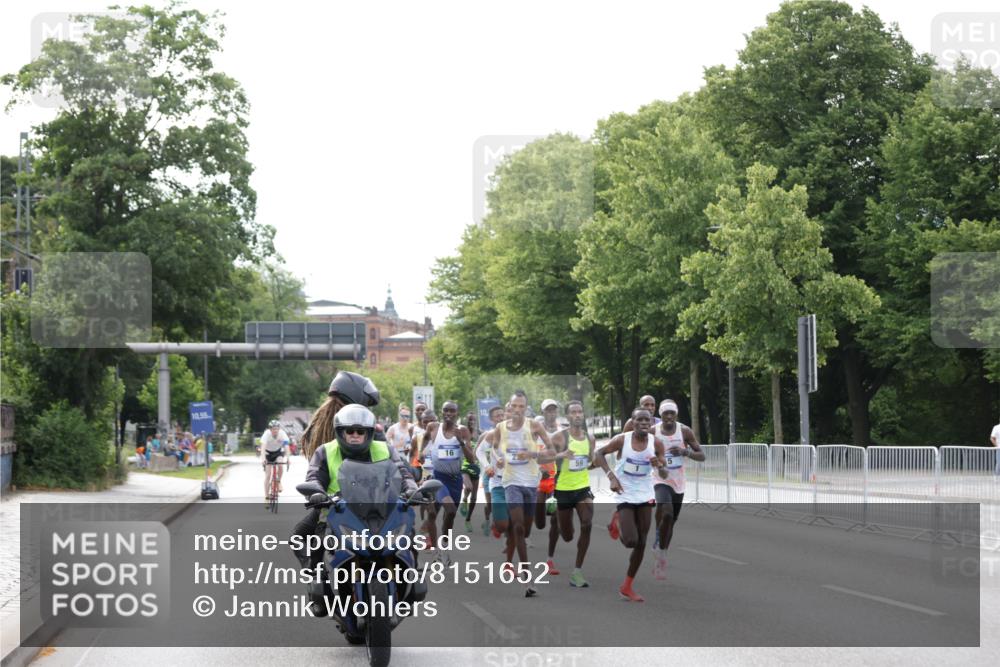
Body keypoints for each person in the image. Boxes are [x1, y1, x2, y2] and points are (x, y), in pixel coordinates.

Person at [298, 403, 419, 616]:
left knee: (409, 534)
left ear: (369, 433)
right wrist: (316, 492)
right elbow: (314, 476)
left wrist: (411, 488)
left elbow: (403, 472)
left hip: (381, 511)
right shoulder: (325, 451)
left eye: (360, 431)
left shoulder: (384, 449)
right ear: (340, 432)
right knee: (305, 539)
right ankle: (319, 590)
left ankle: (411, 584)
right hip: (338, 512)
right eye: (350, 431)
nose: (355, 435)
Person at [485, 391, 557, 598]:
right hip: (511, 482)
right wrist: (496, 460)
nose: (517, 410)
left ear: (526, 408)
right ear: (510, 406)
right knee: (516, 526)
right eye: (514, 406)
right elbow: (492, 449)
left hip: (531, 482)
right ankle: (527, 576)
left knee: (524, 530)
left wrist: (532, 454)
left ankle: (514, 559)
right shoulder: (500, 428)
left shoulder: (534, 425)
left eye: (521, 406)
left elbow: (551, 451)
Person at [594, 408, 668, 602]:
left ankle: (627, 586)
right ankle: (616, 521)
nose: (644, 423)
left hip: (645, 493)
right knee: (630, 541)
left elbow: (664, 472)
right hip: (624, 492)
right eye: (640, 420)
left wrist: (658, 465)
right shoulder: (622, 439)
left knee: (642, 542)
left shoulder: (656, 443)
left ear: (651, 424)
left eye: (647, 420)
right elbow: (599, 453)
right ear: (633, 422)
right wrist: (611, 477)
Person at [650, 399, 704, 579]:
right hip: (660, 479)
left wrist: (685, 452)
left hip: (679, 482)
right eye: (666, 413)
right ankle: (660, 547)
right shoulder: (653, 432)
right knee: (665, 513)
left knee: (671, 520)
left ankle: (662, 550)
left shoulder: (685, 431)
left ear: (676, 414)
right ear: (661, 415)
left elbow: (701, 455)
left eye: (672, 413)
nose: (669, 417)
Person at [420, 401, 475, 564]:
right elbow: (425, 438)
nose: (448, 414)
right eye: (445, 411)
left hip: (455, 480)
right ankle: (437, 549)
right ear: (441, 412)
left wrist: (460, 442)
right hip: (437, 477)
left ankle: (443, 547)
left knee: (448, 514)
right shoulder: (433, 427)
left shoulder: (462, 431)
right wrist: (423, 451)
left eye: (452, 411)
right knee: (444, 511)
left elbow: (471, 459)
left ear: (457, 413)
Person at [551, 400, 596, 588]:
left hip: (582, 489)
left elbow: (591, 461)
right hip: (563, 489)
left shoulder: (590, 439)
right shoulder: (559, 438)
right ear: (568, 416)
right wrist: (561, 456)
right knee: (567, 535)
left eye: (580, 411)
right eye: (574, 412)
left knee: (587, 523)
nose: (577, 415)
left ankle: (577, 572)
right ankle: (561, 525)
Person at [535, 398, 564, 575]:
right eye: (548, 410)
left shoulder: (562, 432)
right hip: (538, 479)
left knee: (556, 519)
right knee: (539, 523)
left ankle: (549, 559)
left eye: (554, 410)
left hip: (557, 479)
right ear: (543, 412)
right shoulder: (536, 431)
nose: (551, 413)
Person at [476, 405, 506, 537]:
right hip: (493, 476)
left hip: (512, 478)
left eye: (502, 415)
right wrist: (487, 466)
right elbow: (479, 451)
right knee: (490, 505)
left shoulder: (513, 432)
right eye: (497, 416)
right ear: (491, 420)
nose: (500, 418)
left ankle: (509, 532)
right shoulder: (490, 435)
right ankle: (490, 520)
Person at [459, 411, 481, 532]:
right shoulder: (463, 433)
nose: (472, 422)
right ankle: (464, 499)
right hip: (465, 465)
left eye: (474, 420)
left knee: (475, 497)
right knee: (469, 487)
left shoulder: (479, 434)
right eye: (470, 420)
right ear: (466, 420)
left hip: (476, 466)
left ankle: (468, 519)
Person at [260, 419, 290, 505]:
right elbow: (262, 448)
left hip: (278, 452)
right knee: (268, 475)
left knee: (280, 464)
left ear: (279, 429)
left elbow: (287, 447)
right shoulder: (266, 434)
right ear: (270, 429)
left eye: (277, 428)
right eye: (273, 429)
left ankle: (279, 482)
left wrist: (288, 458)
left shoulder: (282, 434)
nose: (275, 430)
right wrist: (263, 459)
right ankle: (266, 497)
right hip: (268, 453)